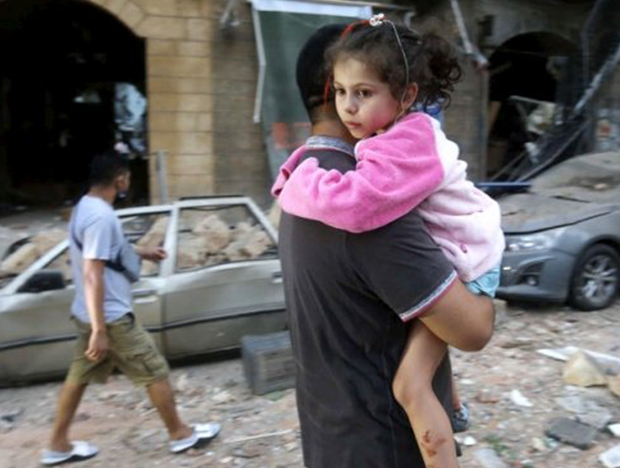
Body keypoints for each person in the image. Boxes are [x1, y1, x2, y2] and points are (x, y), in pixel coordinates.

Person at [275, 16, 504, 467]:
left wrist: (292, 178)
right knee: (412, 385)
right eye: (345, 92)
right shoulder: (363, 201)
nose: (351, 104)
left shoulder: (315, 185)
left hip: (331, 438)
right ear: (331, 89)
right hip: (387, 447)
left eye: (362, 92)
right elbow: (474, 329)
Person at [41, 151, 220, 466]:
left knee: (78, 375)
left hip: (87, 311)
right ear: (120, 179)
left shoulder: (85, 206)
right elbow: (92, 272)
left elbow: (107, 249)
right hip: (109, 317)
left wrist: (144, 251)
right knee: (155, 370)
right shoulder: (102, 216)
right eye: (128, 178)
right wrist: (99, 330)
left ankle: (57, 444)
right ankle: (180, 434)